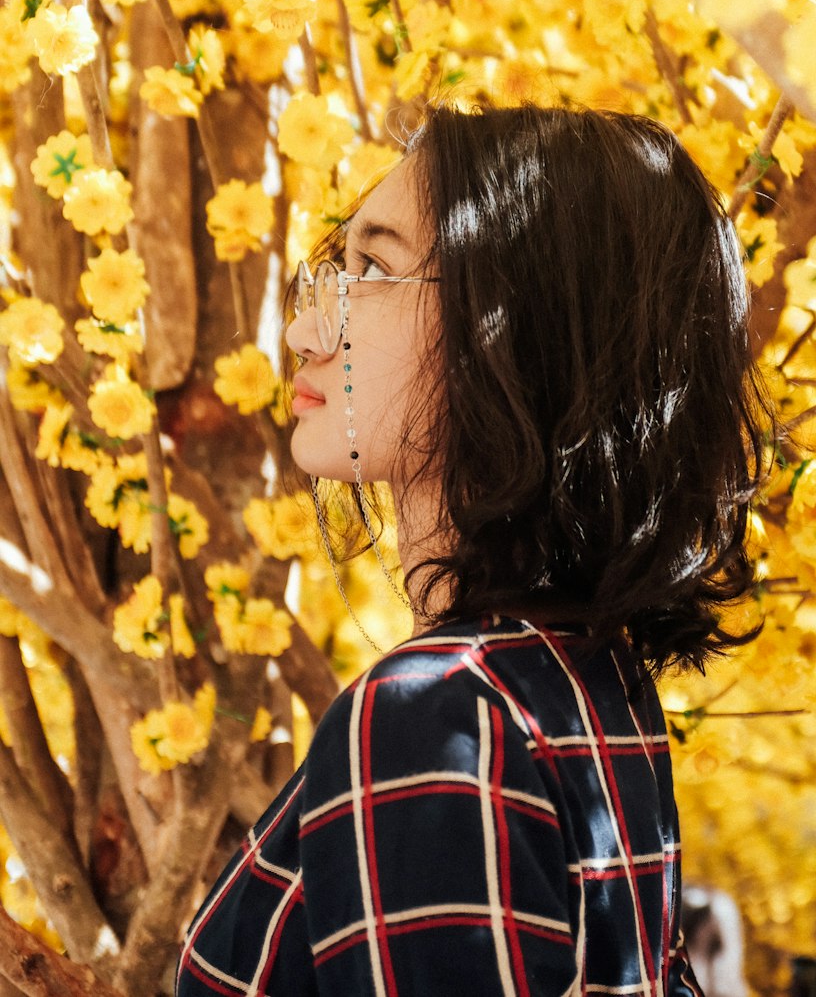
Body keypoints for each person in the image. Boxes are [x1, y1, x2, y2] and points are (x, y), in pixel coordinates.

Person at [175, 102, 774, 997]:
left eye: (374, 266)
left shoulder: (434, 713)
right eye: (334, 268)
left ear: (516, 324)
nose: (305, 331)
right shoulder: (583, 681)